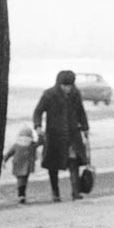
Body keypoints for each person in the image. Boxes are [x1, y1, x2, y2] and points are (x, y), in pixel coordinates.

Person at [33, 69, 90, 201]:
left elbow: (81, 112)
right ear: (59, 84)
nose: (67, 89)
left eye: (69, 85)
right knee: (53, 166)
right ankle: (55, 193)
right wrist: (38, 126)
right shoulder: (48, 95)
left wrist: (85, 128)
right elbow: (38, 112)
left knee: (74, 163)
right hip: (54, 136)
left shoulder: (76, 94)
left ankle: (76, 193)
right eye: (64, 86)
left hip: (73, 136)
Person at [2, 125, 39, 204]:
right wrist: (40, 133)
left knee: (20, 180)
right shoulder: (32, 144)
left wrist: (4, 161)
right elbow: (41, 142)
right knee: (24, 180)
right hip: (27, 165)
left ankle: (21, 195)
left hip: (17, 164)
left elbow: (9, 153)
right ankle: (22, 195)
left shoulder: (16, 145)